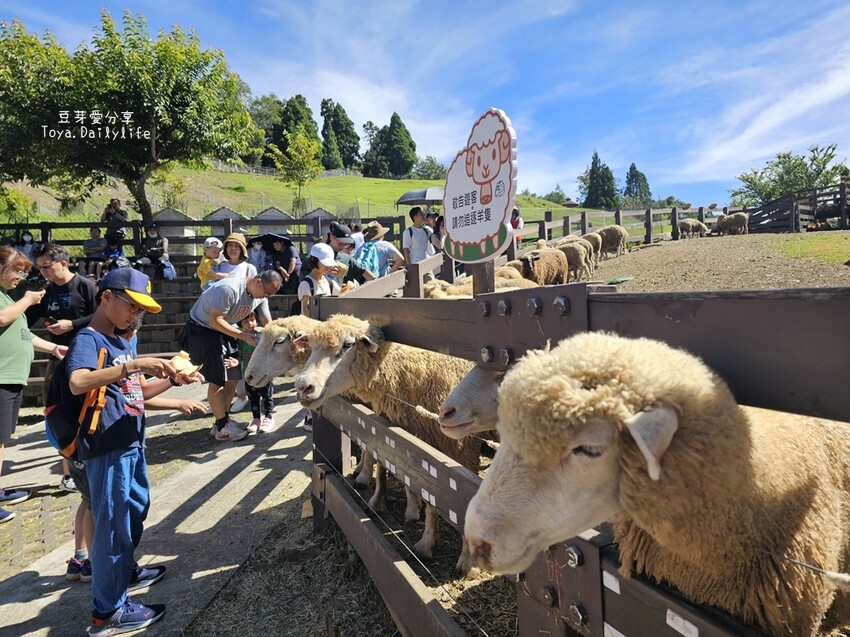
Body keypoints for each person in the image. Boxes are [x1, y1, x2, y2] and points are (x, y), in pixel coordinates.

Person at [66, 267, 203, 635]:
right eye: (131, 306)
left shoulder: (122, 342)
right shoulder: (89, 339)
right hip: (107, 447)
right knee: (113, 528)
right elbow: (78, 382)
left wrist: (172, 380)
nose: (134, 315)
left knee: (134, 513)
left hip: (131, 443)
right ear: (106, 297)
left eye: (140, 310)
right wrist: (133, 364)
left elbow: (136, 392)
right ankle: (107, 612)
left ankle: (123, 572)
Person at [0, 246, 68, 523]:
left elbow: (23, 333)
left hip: (12, 378)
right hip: (2, 378)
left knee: (3, 441)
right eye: (16, 270)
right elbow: (3, 319)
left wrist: (53, 349)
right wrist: (28, 299)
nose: (20, 277)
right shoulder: (11, 302)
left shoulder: (6, 297)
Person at [28, 242, 99, 493]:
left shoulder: (86, 286)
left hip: (87, 356)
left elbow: (102, 315)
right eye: (40, 268)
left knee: (87, 410)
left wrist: (73, 324)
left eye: (47, 267)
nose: (44, 272)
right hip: (58, 358)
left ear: (63, 263)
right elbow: (24, 319)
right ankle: (69, 472)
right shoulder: (45, 292)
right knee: (60, 413)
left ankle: (90, 461)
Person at [179, 270, 282, 441]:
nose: (267, 296)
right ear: (258, 282)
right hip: (203, 330)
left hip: (226, 329)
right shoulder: (229, 289)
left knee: (232, 376)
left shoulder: (259, 296)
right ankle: (222, 426)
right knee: (217, 379)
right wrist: (242, 336)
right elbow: (215, 320)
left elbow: (267, 321)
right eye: (266, 292)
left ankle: (222, 419)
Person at [238, 311, 274, 434]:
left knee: (267, 396)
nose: (250, 323)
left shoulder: (262, 336)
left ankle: (269, 417)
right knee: (253, 397)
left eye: (252, 320)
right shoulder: (240, 339)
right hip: (248, 374)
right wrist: (236, 362)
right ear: (241, 324)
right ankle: (256, 418)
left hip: (263, 373)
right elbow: (239, 355)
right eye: (246, 321)